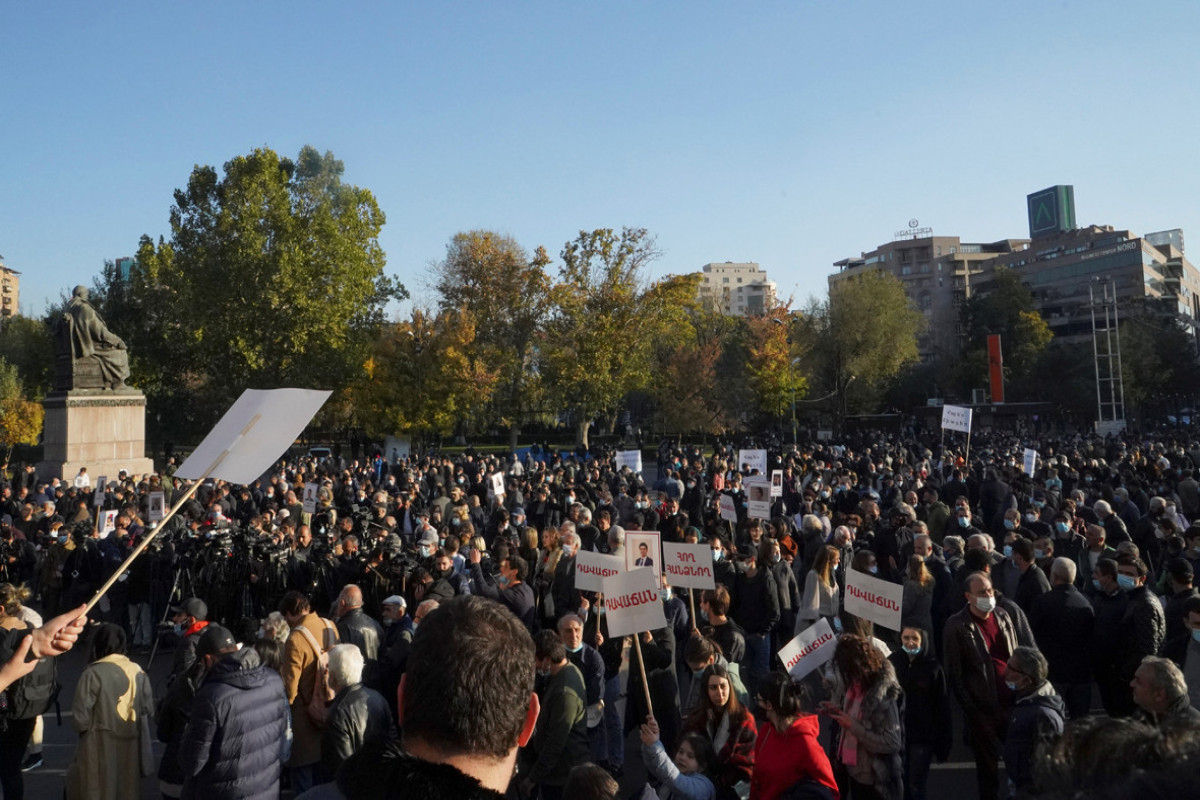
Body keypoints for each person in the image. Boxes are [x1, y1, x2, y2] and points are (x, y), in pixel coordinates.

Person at [178, 623, 290, 800]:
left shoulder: (212, 696)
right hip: (266, 789)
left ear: (207, 659)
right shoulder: (274, 680)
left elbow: (191, 763)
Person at [943, 571, 1018, 800]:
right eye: (982, 592)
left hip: (1012, 702)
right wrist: (972, 710)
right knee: (988, 769)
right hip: (983, 709)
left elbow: (1016, 653)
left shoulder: (1003, 616)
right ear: (968, 596)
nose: (988, 595)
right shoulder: (957, 626)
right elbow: (955, 673)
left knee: (1018, 761)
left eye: (989, 590)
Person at [65, 623, 155, 800]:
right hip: (130, 742)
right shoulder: (137, 670)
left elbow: (80, 718)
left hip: (97, 744)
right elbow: (148, 708)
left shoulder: (92, 673)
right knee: (127, 790)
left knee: (98, 789)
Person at [823, 634, 904, 800]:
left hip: (875, 781)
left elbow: (893, 742)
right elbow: (856, 714)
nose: (846, 677)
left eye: (847, 671)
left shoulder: (882, 695)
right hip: (854, 771)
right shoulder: (855, 685)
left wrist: (853, 726)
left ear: (858, 666)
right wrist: (836, 710)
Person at [280, 590, 340, 793]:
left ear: (288, 614)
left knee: (303, 780)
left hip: (304, 720)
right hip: (330, 710)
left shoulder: (295, 638)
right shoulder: (330, 626)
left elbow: (289, 690)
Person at [750, 671, 838, 800]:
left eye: (759, 700)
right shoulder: (767, 731)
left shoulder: (806, 743)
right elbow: (757, 779)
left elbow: (829, 791)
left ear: (769, 705)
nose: (757, 704)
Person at [887, 627, 950, 800]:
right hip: (896, 734)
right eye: (906, 638)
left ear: (923, 641)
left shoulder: (933, 668)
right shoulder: (892, 663)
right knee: (898, 783)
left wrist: (943, 744)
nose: (910, 642)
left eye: (914, 638)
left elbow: (942, 707)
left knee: (916, 785)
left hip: (922, 737)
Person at [1028, 557, 1094, 720]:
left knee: (1052, 720)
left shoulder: (1043, 602)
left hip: (1053, 672)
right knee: (1080, 723)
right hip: (1080, 674)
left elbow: (1031, 633)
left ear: (1054, 576)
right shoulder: (1085, 603)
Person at [683, 661, 757, 800]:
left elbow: (747, 767)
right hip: (701, 784)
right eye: (713, 688)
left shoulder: (744, 719)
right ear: (706, 690)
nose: (720, 693)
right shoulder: (697, 719)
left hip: (733, 790)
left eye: (723, 686)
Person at [322, 643, 395, 777]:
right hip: (381, 780)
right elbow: (392, 743)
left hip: (355, 787)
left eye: (328, 668)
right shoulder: (378, 698)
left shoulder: (338, 712)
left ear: (333, 675)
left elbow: (342, 766)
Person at [1002, 646, 1065, 797]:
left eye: (1011, 668)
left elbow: (1048, 769)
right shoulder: (1024, 699)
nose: (1006, 672)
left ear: (1027, 679)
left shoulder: (1044, 716)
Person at [640, 717, 717, 800]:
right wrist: (649, 743)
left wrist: (655, 746)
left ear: (702, 764)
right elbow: (654, 766)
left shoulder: (704, 786)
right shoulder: (674, 770)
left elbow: (677, 781)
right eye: (680, 752)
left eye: (690, 756)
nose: (682, 757)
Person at [1130, 655, 1200, 727]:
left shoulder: (1191, 730)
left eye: (1139, 682)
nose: (1131, 684)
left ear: (1159, 694)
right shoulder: (1143, 714)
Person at [797, 545, 840, 634]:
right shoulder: (813, 575)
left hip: (833, 621)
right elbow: (811, 604)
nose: (839, 561)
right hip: (820, 621)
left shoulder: (832, 575)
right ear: (828, 561)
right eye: (836, 559)